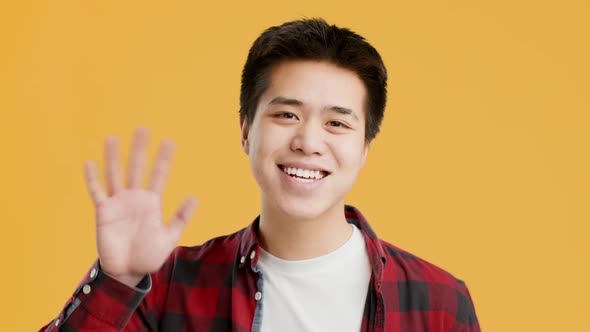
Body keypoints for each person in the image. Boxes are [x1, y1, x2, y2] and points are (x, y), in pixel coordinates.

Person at [40, 18, 480, 332]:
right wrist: (116, 282)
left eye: (337, 123)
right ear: (246, 130)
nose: (308, 141)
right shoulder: (168, 284)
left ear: (365, 147)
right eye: (287, 114)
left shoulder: (438, 302)